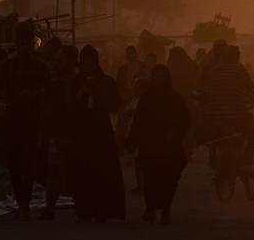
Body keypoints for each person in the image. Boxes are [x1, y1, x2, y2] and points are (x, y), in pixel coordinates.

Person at [0, 27, 50, 221]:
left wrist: (33, 95)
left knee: (28, 164)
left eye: (27, 44)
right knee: (15, 165)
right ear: (17, 45)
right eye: (21, 44)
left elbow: (49, 92)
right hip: (13, 121)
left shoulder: (41, 67)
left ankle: (24, 204)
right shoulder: (7, 67)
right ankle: (22, 203)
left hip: (32, 121)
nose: (24, 47)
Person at [127, 65, 191, 225]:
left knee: (169, 179)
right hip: (150, 145)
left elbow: (184, 119)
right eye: (156, 77)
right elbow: (138, 122)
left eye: (162, 77)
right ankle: (150, 209)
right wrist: (132, 141)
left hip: (169, 146)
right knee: (151, 178)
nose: (159, 80)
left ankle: (165, 210)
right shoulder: (146, 99)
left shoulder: (175, 98)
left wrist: (175, 132)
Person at [71, 46, 124, 223]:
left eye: (91, 62)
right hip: (82, 133)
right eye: (85, 62)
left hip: (101, 132)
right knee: (83, 172)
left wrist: (100, 94)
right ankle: (84, 211)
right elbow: (67, 106)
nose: (88, 66)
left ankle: (103, 210)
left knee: (103, 172)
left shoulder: (107, 81)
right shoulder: (75, 82)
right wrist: (82, 93)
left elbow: (115, 105)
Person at [40, 46, 79, 220]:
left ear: (71, 60)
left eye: (62, 60)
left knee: (75, 171)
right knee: (54, 172)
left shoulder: (79, 83)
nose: (59, 63)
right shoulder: (55, 83)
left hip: (74, 134)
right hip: (57, 133)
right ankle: (49, 208)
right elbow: (48, 109)